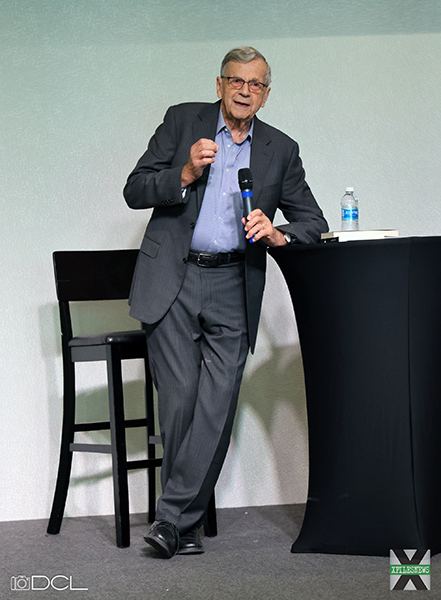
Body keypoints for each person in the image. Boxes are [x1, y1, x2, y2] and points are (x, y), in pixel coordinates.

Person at [123, 46, 328, 558]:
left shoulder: (281, 148)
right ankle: (183, 527)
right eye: (235, 80)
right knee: (180, 404)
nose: (244, 90)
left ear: (266, 93)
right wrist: (185, 174)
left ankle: (170, 521)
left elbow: (314, 222)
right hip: (173, 277)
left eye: (255, 84)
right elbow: (134, 189)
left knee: (216, 404)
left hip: (235, 284)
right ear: (219, 85)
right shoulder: (181, 121)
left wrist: (277, 234)